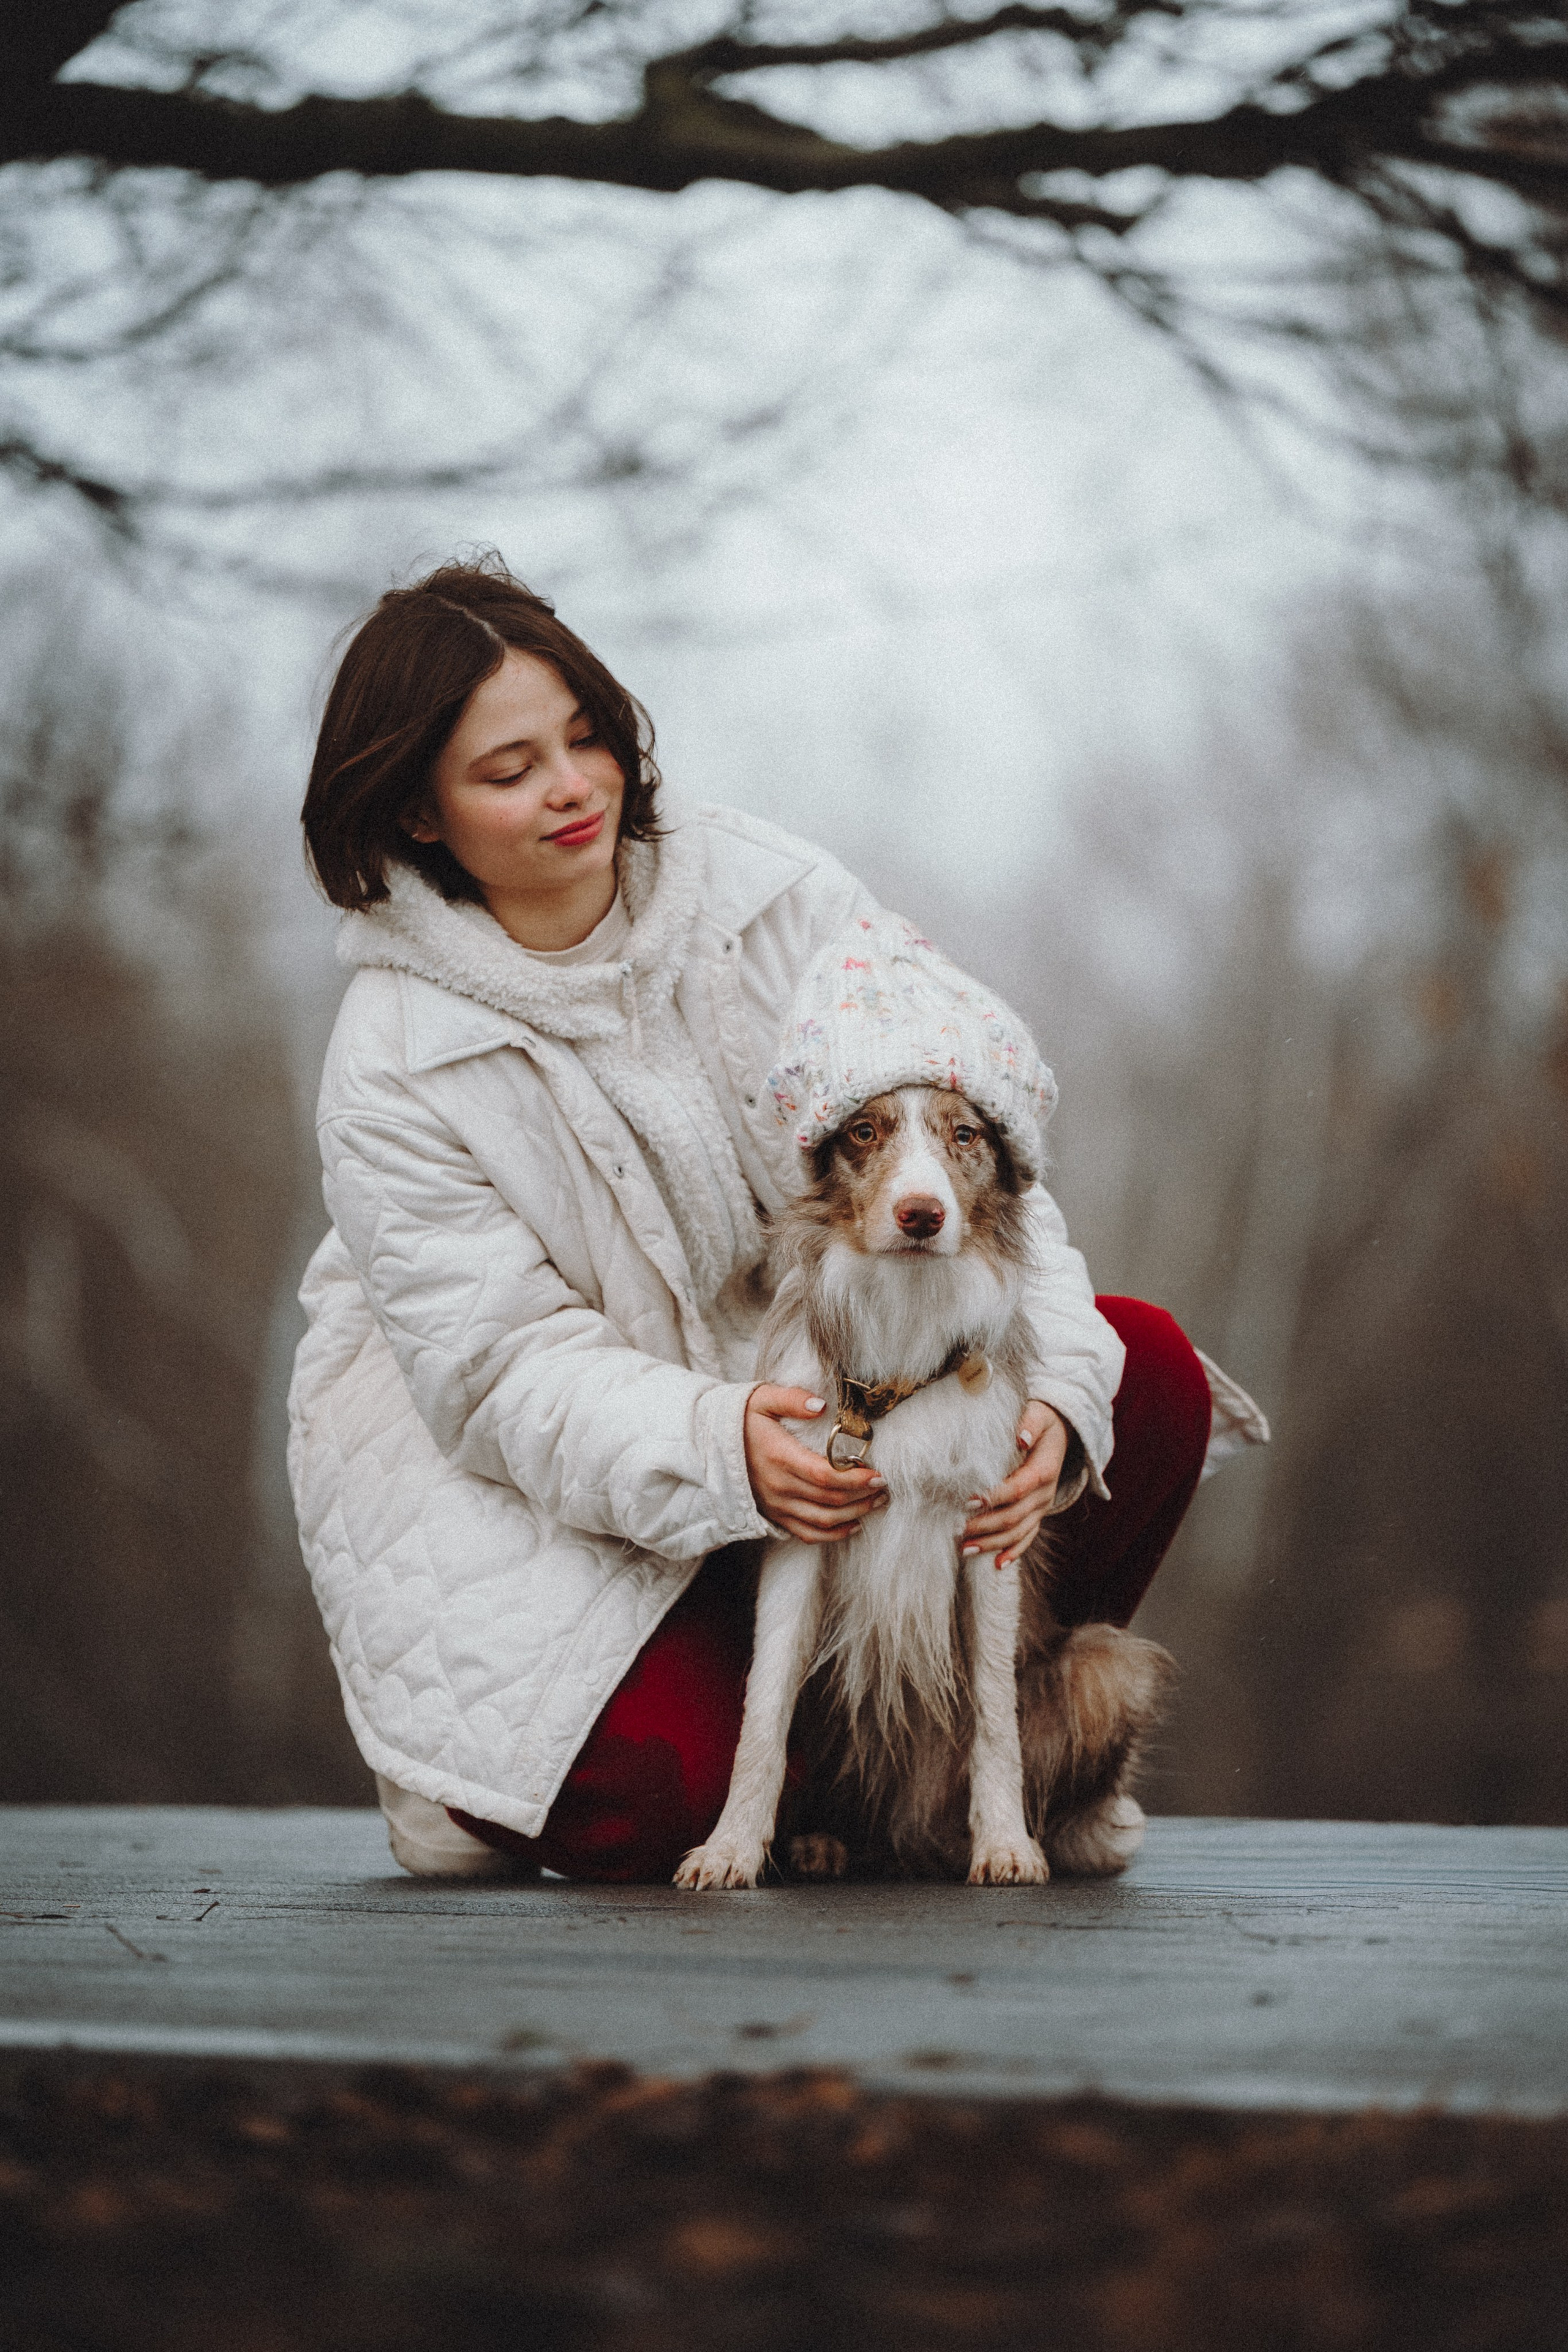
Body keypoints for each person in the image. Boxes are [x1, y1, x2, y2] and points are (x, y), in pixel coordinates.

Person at [290, 556, 1264, 1883]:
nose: (574, 786)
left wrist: (1060, 1406)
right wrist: (714, 1444)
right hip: (572, 1476)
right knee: (664, 1799)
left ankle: (977, 1762)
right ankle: (480, 1787)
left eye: (584, 737)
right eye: (509, 771)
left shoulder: (769, 892)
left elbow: (978, 1161)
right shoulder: (393, 1061)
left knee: (1138, 1372)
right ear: (414, 809)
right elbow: (497, 1371)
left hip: (847, 1393)